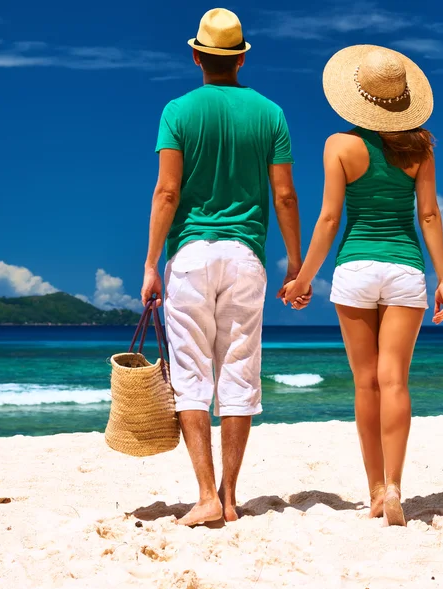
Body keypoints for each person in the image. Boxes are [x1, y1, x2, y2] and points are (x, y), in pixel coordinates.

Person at [141, 8, 309, 526]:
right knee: (238, 374)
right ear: (240, 57)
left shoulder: (178, 111)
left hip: (190, 257)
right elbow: (284, 194)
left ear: (197, 56)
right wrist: (296, 262)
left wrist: (150, 264)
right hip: (246, 258)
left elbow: (168, 191)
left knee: (191, 377)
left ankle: (204, 496)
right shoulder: (271, 114)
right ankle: (230, 497)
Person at [282, 45, 443, 526]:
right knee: (395, 379)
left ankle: (375, 490)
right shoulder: (420, 149)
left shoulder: (339, 145)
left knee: (365, 382)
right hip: (404, 269)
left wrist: (302, 279)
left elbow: (330, 218)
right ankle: (396, 487)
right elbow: (429, 215)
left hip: (356, 270)